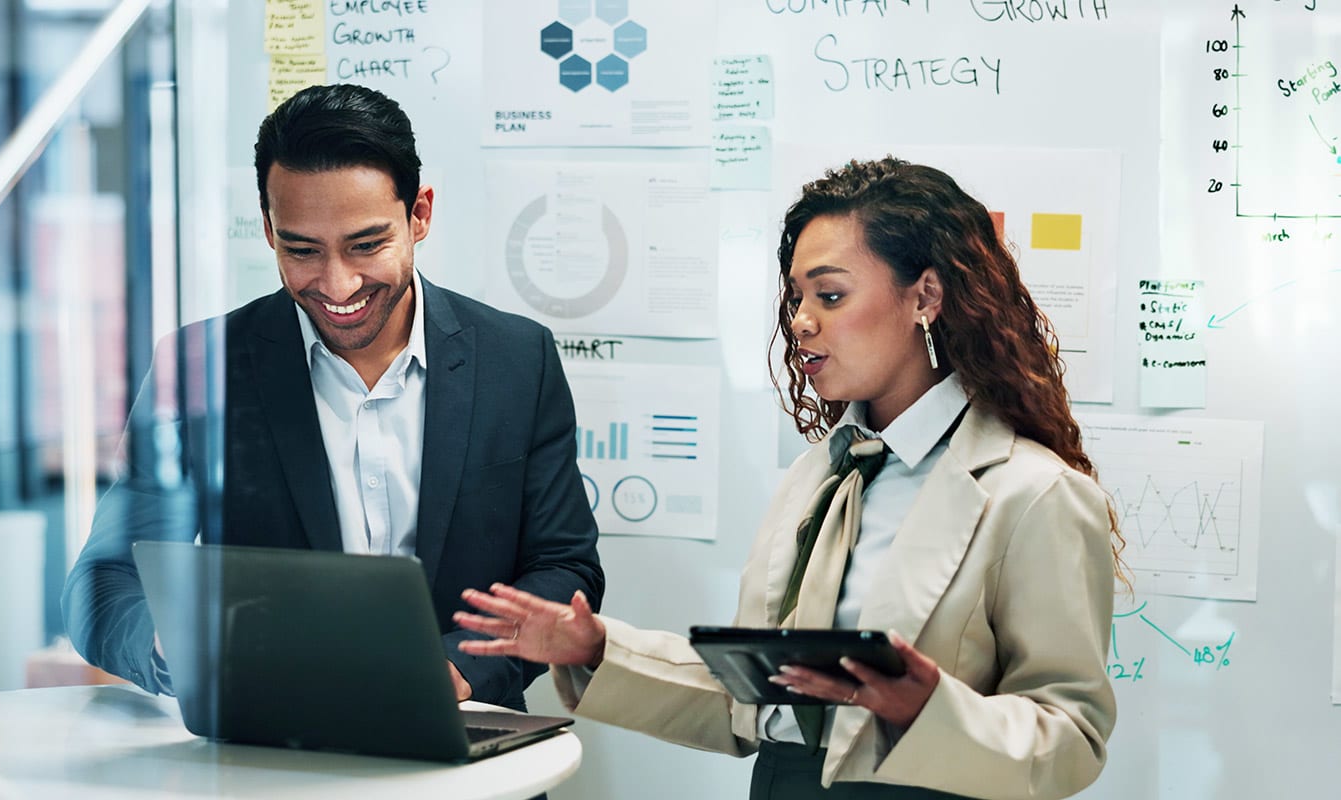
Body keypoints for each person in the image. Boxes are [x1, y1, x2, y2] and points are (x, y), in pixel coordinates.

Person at [455, 157, 1124, 798]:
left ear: (924, 296)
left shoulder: (1033, 494)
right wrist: (598, 647)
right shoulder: (820, 475)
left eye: (829, 295)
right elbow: (755, 702)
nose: (800, 321)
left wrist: (928, 710)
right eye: (797, 296)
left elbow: (1072, 738)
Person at [62, 83, 604, 712]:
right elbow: (103, 583)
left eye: (366, 245)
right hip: (268, 755)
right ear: (268, 229)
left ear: (419, 214)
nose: (337, 284)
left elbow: (564, 568)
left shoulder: (518, 360)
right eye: (302, 250)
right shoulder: (198, 367)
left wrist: (459, 669)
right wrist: (166, 641)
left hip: (467, 745)